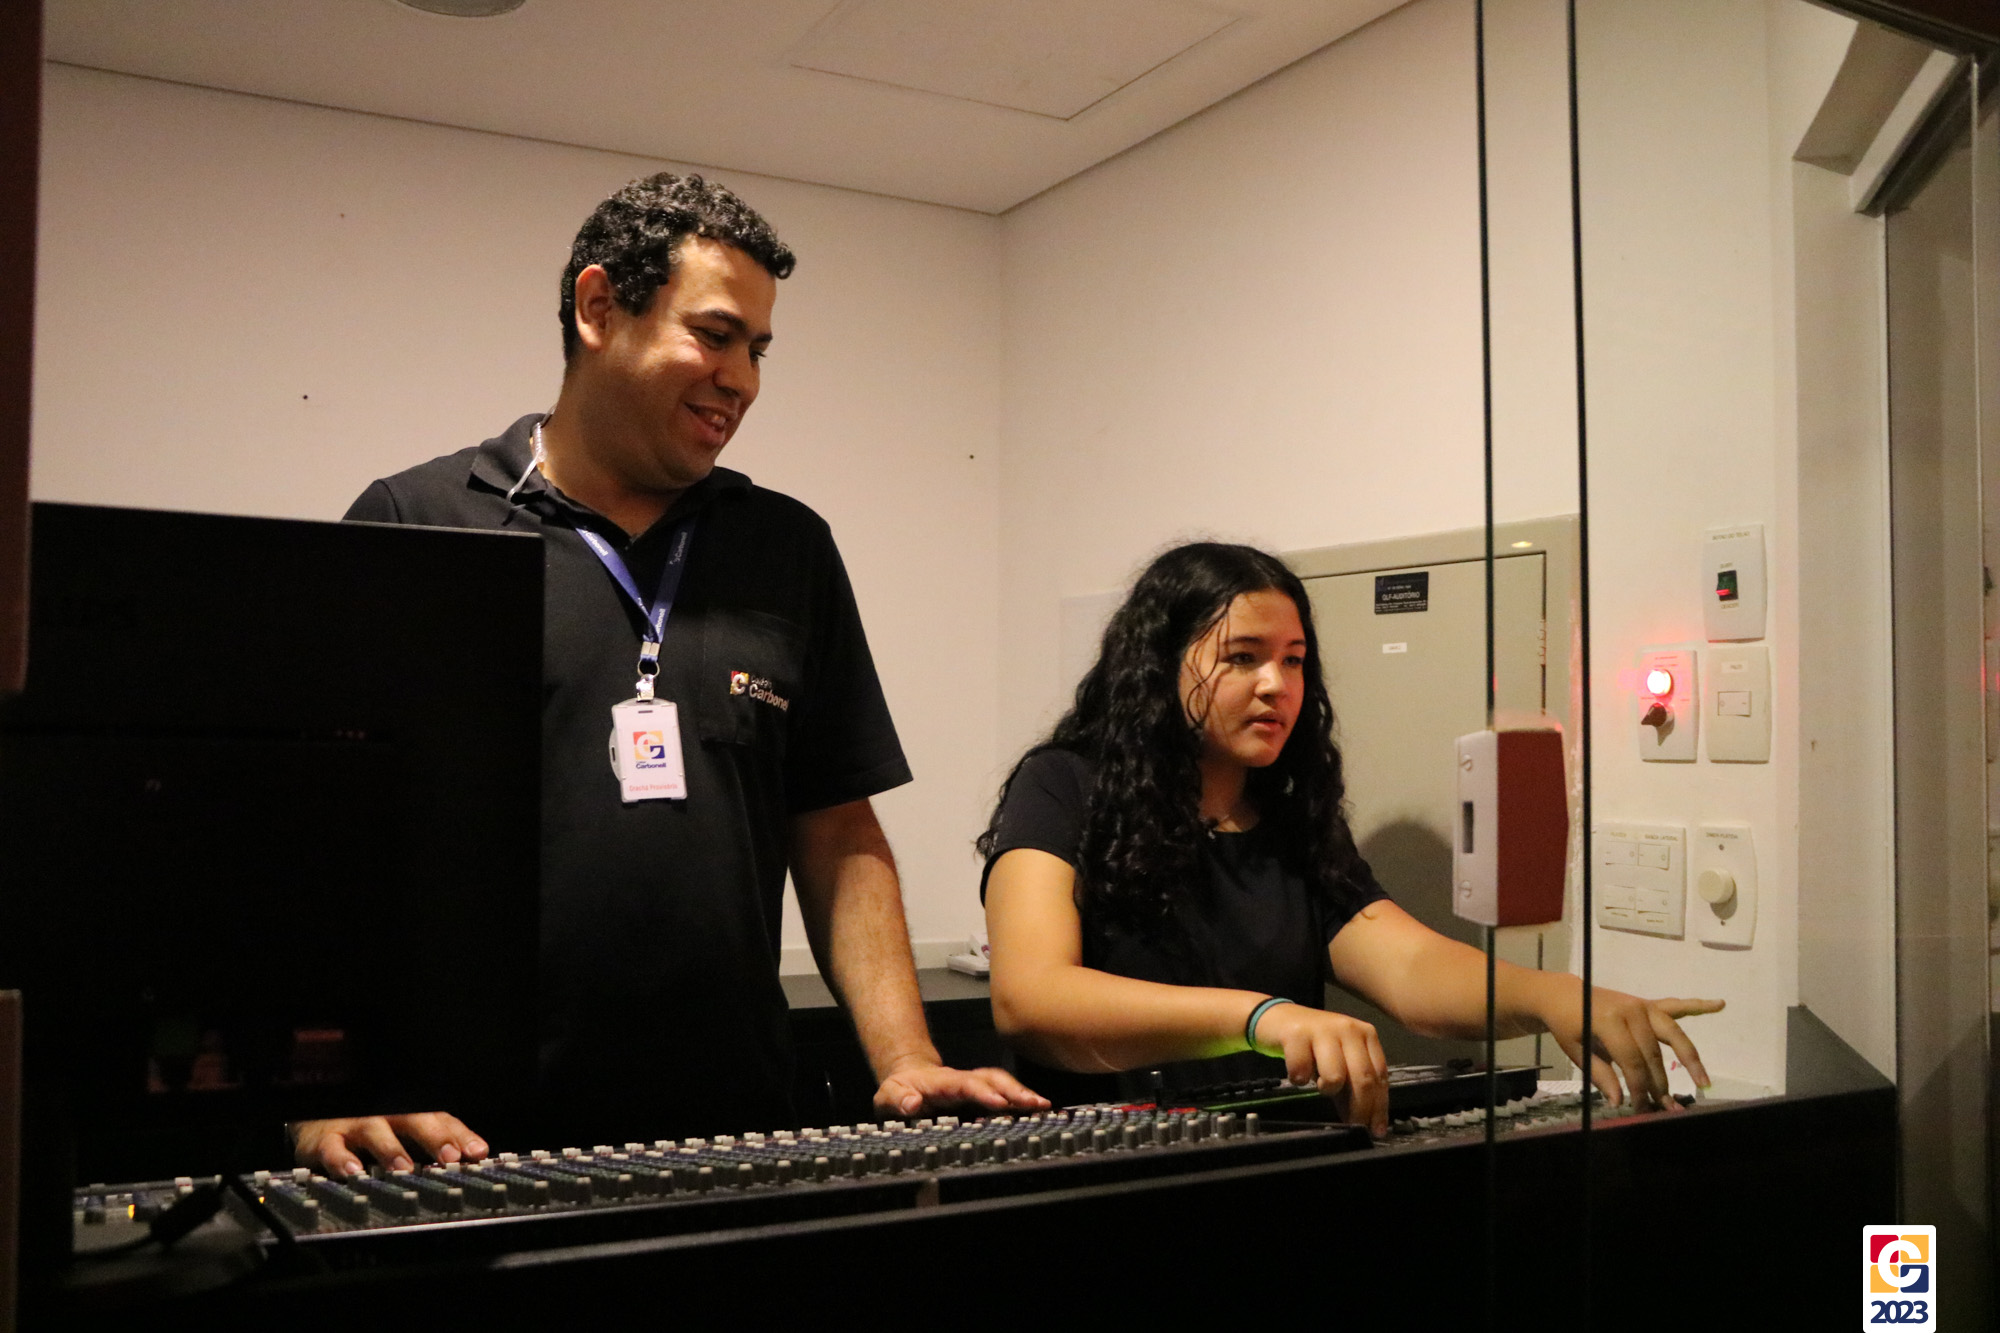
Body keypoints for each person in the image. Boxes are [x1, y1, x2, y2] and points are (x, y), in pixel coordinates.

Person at [297, 172, 1043, 1176]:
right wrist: (323, 1085)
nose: (742, 379)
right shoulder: (418, 523)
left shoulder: (786, 548)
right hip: (460, 1145)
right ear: (599, 307)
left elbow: (836, 828)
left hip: (730, 1135)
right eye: (716, 334)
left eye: (758, 350)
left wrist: (908, 1057)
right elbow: (318, 836)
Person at [978, 541, 1720, 1135]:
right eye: (1243, 656)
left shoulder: (1288, 816)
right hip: (1110, 1170)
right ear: (1159, 667)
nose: (1277, 684)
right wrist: (1260, 1017)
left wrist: (1553, 996)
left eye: (1294, 659)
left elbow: (1411, 966)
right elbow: (1031, 999)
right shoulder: (1062, 784)